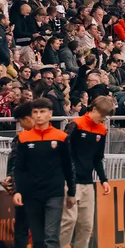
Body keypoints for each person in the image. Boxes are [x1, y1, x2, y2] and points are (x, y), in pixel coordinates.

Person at [11, 98, 75, 248]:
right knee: (38, 240)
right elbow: (19, 167)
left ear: (50, 114)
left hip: (54, 192)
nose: (39, 115)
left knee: (51, 237)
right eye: (35, 112)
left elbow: (68, 165)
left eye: (42, 112)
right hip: (31, 194)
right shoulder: (23, 138)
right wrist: (17, 190)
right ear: (32, 115)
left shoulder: (61, 137)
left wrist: (71, 192)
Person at [60, 95, 114, 248]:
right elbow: (64, 152)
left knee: (87, 225)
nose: (103, 119)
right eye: (102, 115)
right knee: (69, 221)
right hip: (70, 180)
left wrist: (104, 180)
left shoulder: (102, 130)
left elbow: (98, 158)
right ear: (94, 109)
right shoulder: (75, 124)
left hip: (87, 182)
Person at [4, 103, 34, 248]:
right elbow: (14, 163)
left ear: (27, 119)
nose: (21, 125)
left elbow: (15, 164)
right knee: (23, 227)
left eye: (21, 121)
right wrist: (10, 178)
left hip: (32, 189)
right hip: (28, 189)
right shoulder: (20, 138)